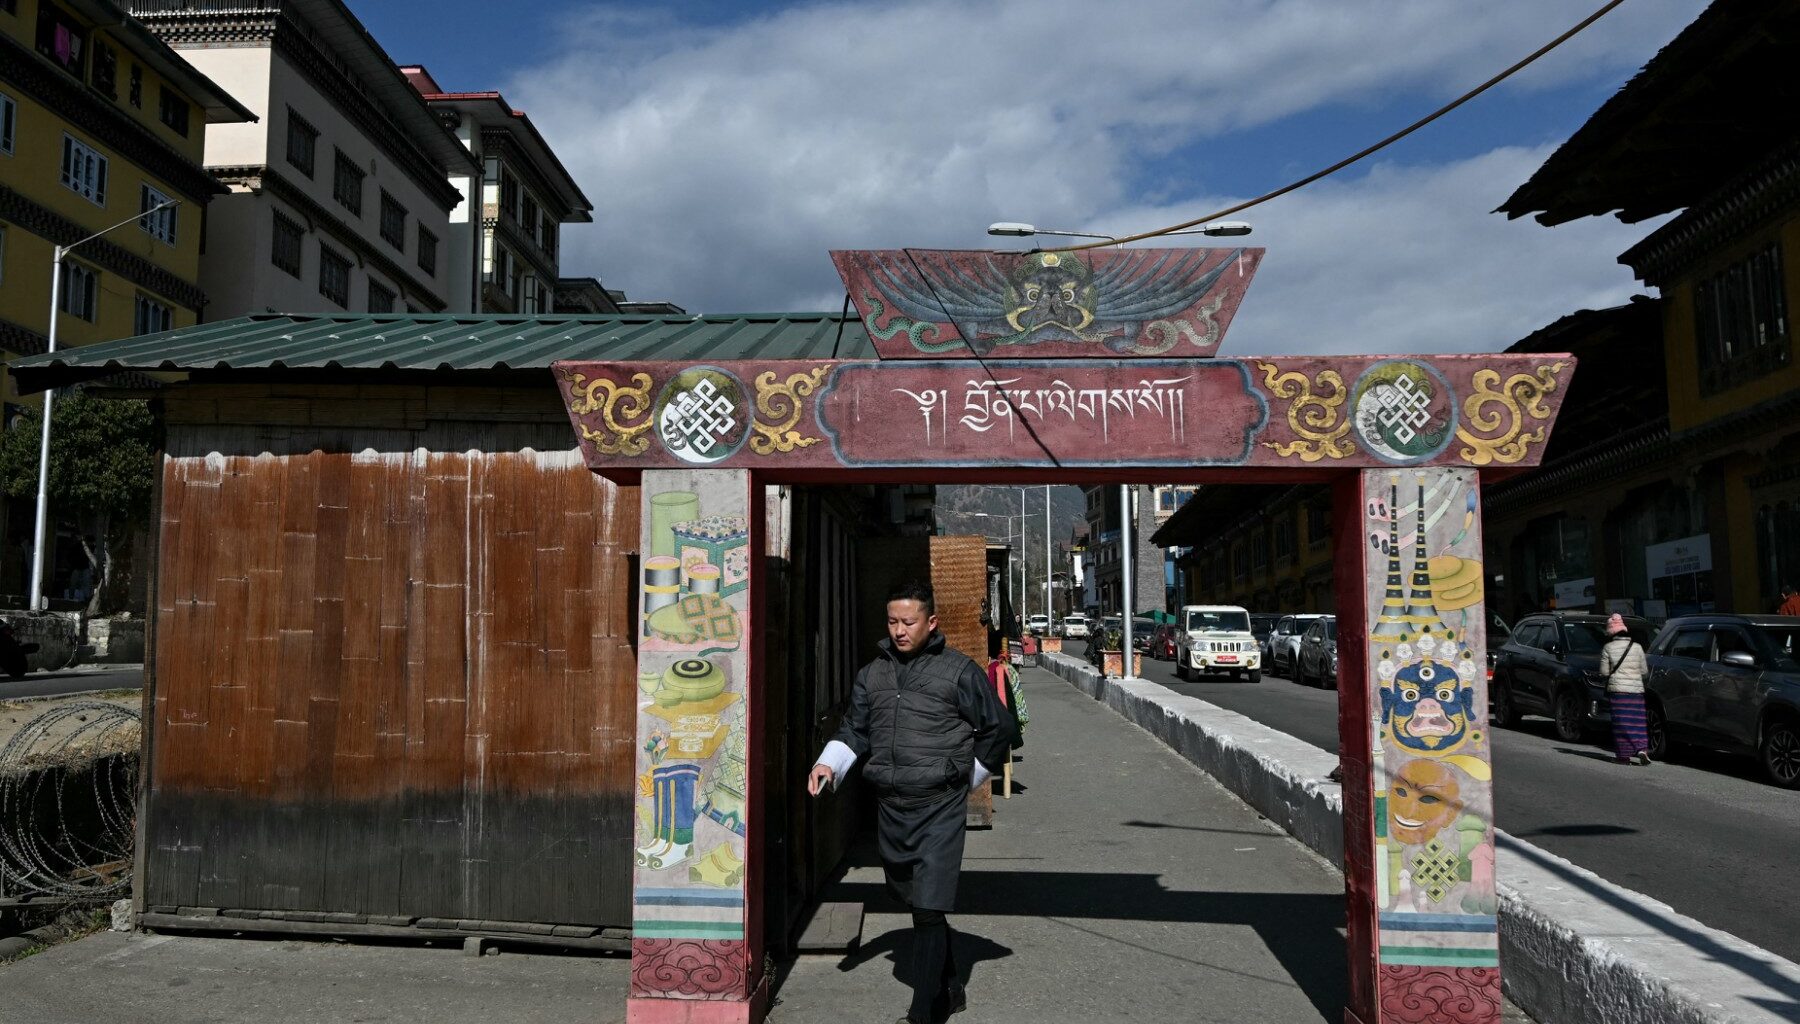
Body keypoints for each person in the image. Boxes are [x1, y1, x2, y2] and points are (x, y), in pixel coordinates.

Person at [808, 581, 1011, 1024]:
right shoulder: (872, 675)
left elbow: (999, 728)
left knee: (928, 905)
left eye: (909, 622)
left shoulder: (959, 671)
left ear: (931, 622)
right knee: (911, 897)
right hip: (892, 806)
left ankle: (924, 1011)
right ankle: (951, 985)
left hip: (940, 804)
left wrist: (968, 777)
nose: (899, 631)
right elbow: (855, 729)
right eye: (892, 622)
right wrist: (828, 764)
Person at [1599, 613, 1651, 765]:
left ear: (1611, 633)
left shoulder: (1608, 648)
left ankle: (1623, 757)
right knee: (1637, 722)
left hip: (1618, 692)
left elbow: (1604, 672)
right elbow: (1644, 671)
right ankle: (1642, 749)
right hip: (1636, 692)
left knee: (1621, 724)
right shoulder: (1637, 647)